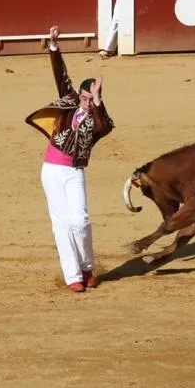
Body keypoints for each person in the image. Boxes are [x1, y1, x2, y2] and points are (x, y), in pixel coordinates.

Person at [25, 26, 115, 293]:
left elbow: (106, 126)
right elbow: (60, 74)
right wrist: (54, 46)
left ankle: (87, 265)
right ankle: (74, 276)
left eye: (91, 99)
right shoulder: (69, 100)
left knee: (81, 221)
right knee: (62, 224)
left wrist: (98, 102)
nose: (86, 103)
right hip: (51, 169)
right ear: (79, 94)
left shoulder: (98, 118)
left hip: (74, 171)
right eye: (85, 98)